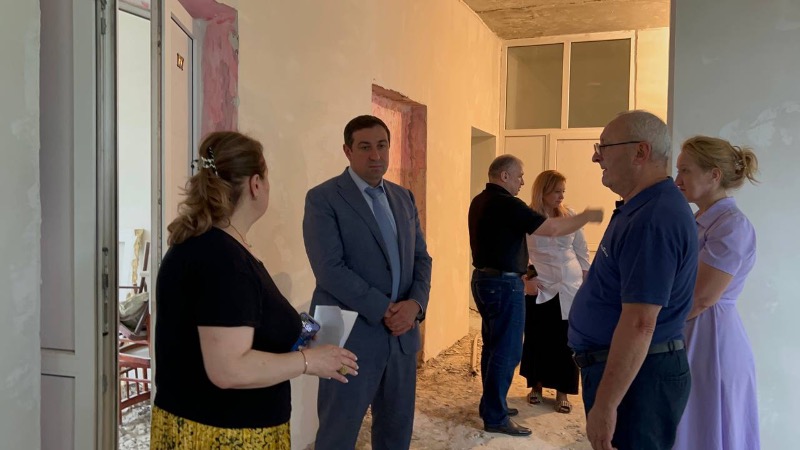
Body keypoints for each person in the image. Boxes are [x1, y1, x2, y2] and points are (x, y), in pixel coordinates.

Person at [150, 131, 359, 449]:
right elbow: (228, 369)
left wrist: (294, 336)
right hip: (223, 437)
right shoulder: (222, 259)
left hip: (207, 427)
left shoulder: (213, 247)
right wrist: (308, 361)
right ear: (256, 184)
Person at [568, 110, 697, 450]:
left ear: (640, 152)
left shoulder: (654, 217)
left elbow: (641, 322)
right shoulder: (640, 207)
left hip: (640, 379)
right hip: (634, 372)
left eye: (604, 147)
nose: (596, 157)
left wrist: (607, 404)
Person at [303, 115, 432, 450]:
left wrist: (415, 305)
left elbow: (422, 258)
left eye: (382, 146)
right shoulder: (323, 198)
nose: (376, 155)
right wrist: (385, 309)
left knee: (396, 431)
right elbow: (329, 269)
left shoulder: (404, 197)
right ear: (347, 151)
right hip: (350, 336)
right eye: (364, 147)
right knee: (338, 432)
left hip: (401, 336)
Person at [468, 154, 603, 437]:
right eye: (519, 176)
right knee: (507, 351)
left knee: (493, 347)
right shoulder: (508, 203)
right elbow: (551, 228)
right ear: (504, 176)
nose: (522, 181)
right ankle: (495, 416)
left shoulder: (480, 200)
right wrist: (587, 216)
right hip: (503, 284)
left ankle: (491, 405)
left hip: (485, 279)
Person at [672, 136, 760, 450]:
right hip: (691, 330)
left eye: (685, 170)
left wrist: (650, 329)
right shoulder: (697, 219)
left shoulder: (732, 225)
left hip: (711, 338)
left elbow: (702, 297)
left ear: (714, 175)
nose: (677, 180)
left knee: (705, 424)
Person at [520, 170, 589, 414]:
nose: (561, 196)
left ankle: (563, 391)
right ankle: (536, 386)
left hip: (569, 285)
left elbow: (581, 250)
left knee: (566, 340)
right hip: (541, 284)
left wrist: (586, 281)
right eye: (557, 191)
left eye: (563, 191)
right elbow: (519, 252)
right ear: (543, 191)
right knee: (537, 337)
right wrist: (526, 279)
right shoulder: (528, 217)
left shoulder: (569, 215)